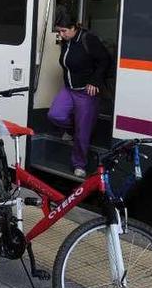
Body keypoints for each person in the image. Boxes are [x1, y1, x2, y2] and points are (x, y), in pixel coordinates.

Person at [47, 12, 110, 178]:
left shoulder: (88, 39)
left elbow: (105, 60)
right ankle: (71, 128)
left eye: (63, 31)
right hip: (69, 89)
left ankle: (79, 164)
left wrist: (95, 81)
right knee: (55, 115)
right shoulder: (66, 42)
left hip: (86, 92)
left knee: (83, 131)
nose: (60, 35)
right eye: (58, 31)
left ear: (73, 28)